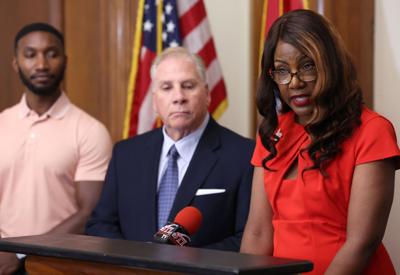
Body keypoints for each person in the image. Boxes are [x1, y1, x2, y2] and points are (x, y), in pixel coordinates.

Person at [240, 9, 400, 275]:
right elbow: (258, 233)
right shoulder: (272, 134)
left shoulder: (372, 131)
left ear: (330, 63)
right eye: (282, 71)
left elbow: (361, 243)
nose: (295, 82)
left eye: (307, 66)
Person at [86, 47, 254, 251]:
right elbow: (100, 225)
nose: (178, 97)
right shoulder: (126, 154)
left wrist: (183, 264)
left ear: (207, 94)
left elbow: (247, 238)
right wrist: (135, 262)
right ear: (155, 101)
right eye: (166, 87)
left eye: (188, 85)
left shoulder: (243, 155)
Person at [0, 23, 112, 274]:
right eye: (30, 54)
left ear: (65, 60)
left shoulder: (90, 131)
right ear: (16, 63)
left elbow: (89, 213)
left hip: (58, 265)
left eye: (51, 53)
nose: (41, 64)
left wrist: (20, 253)